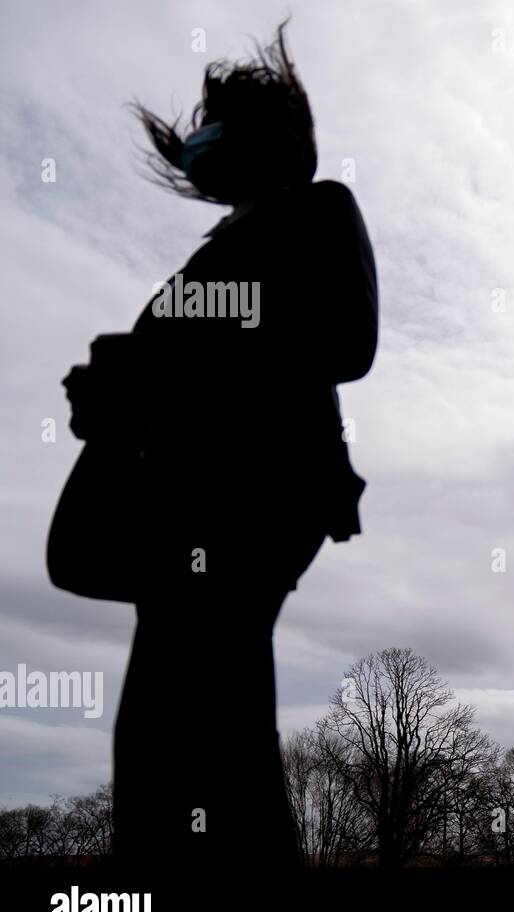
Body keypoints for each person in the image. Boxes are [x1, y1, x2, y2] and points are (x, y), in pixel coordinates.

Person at [61, 20, 378, 866]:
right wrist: (113, 396)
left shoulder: (316, 211)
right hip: (179, 501)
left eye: (216, 124)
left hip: (250, 500)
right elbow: (184, 366)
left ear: (262, 142)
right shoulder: (215, 252)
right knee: (174, 730)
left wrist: (164, 363)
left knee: (197, 727)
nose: (198, 139)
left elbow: (346, 340)